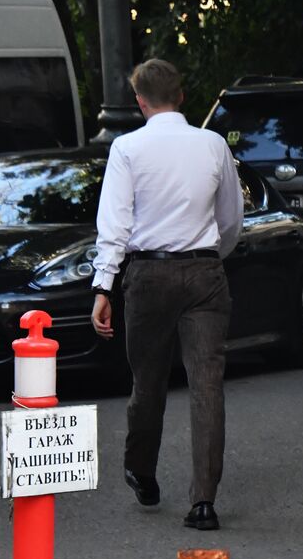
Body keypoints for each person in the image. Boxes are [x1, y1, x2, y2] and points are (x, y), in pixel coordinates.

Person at [90, 59, 244, 531]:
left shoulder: (127, 148)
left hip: (148, 277)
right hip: (204, 272)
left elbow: (114, 223)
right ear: (180, 96)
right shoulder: (213, 144)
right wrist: (213, 253)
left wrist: (104, 285)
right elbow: (231, 216)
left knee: (148, 380)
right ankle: (203, 502)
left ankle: (142, 470)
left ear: (139, 101)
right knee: (207, 385)